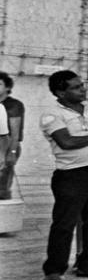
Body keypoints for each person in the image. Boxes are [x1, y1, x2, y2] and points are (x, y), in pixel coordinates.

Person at [40, 71, 88, 280]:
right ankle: (54, 269)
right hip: (72, 174)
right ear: (60, 92)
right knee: (64, 223)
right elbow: (67, 142)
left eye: (82, 85)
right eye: (76, 87)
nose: (83, 89)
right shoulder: (51, 114)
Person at [0, 72, 24, 200]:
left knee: (2, 186)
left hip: (7, 146)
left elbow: (15, 133)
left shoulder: (14, 105)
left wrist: (12, 152)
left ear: (7, 88)